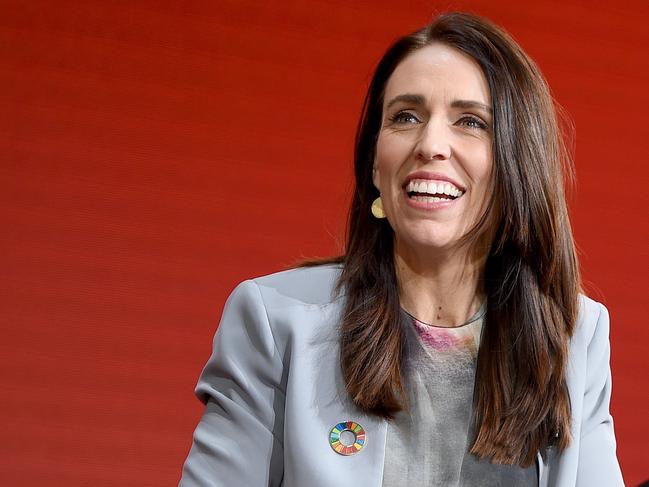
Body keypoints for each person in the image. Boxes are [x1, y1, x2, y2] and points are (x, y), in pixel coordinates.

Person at [179, 11, 624, 487]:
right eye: (405, 117)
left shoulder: (575, 337)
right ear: (375, 166)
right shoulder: (275, 322)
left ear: (518, 164)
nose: (430, 143)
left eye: (471, 122)